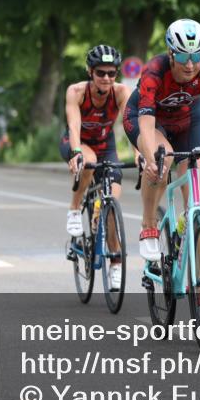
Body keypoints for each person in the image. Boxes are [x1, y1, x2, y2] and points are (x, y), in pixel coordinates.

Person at [123, 19, 200, 264]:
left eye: (196, 56)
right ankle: (149, 222)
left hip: (187, 121)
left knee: (198, 198)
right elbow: (146, 124)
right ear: (170, 53)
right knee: (162, 157)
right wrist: (149, 158)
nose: (190, 65)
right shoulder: (154, 71)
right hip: (147, 119)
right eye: (182, 58)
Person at [62, 45, 134, 290]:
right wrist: (76, 153)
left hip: (106, 145)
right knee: (89, 162)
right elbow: (73, 125)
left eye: (111, 73)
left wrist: (139, 154)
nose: (106, 78)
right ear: (90, 71)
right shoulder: (76, 91)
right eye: (101, 72)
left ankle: (115, 263)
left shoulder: (122, 92)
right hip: (78, 142)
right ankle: (74, 209)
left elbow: (130, 125)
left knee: (112, 206)